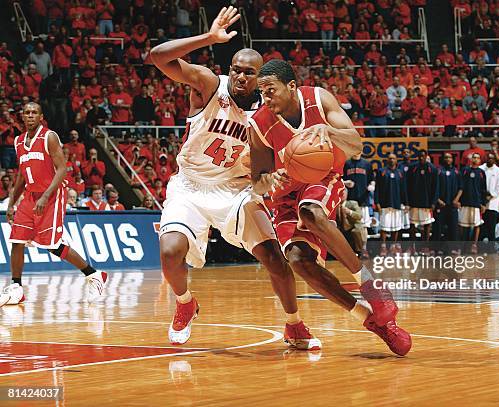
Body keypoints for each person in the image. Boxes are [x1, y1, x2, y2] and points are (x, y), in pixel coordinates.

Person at [149, 7, 319, 348]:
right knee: (169, 252)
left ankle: (294, 324)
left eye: (250, 73)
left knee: (274, 258)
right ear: (230, 71)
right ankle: (185, 304)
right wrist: (209, 39)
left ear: (261, 78)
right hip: (191, 185)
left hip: (238, 190)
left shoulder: (271, 110)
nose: (241, 77)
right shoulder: (211, 86)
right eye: (237, 70)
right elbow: (156, 57)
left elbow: (279, 157)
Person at [249, 59, 412, 355]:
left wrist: (329, 132)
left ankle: (371, 286)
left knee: (310, 212)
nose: (265, 98)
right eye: (261, 92)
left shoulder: (318, 99)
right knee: (299, 262)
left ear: (292, 86)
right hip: (284, 197)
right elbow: (257, 183)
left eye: (270, 90)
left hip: (322, 179)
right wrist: (269, 179)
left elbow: (356, 145)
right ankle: (373, 322)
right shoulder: (259, 123)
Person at [1, 102, 107, 307]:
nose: (30, 116)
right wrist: (12, 203)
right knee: (17, 238)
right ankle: (16, 287)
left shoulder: (49, 136)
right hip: (31, 195)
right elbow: (22, 175)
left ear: (41, 116)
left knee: (51, 244)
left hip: (52, 194)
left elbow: (62, 169)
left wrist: (45, 195)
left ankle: (93, 275)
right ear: (22, 117)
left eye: (34, 113)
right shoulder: (19, 141)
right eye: (27, 113)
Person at [455, 153, 488, 253]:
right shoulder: (464, 170)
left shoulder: (482, 172)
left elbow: (483, 189)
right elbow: (460, 186)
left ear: (480, 161)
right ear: (471, 159)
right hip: (465, 202)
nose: (476, 159)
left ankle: (474, 245)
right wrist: (458, 200)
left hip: (477, 203)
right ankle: (460, 246)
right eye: (474, 157)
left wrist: (483, 203)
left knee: (476, 225)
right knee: (462, 225)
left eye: (478, 158)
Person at [406, 150, 438, 243]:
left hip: (427, 202)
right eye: (419, 156)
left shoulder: (432, 169)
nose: (421, 158)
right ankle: (413, 246)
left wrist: (433, 202)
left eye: (423, 156)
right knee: (412, 224)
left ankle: (426, 246)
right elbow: (407, 185)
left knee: (427, 224)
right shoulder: (412, 168)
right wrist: (407, 202)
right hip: (414, 202)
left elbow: (436, 187)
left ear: (426, 156)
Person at [479, 153, 499, 242]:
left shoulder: (498, 171)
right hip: (480, 203)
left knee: (491, 230)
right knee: (480, 229)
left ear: (494, 160)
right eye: (488, 158)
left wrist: (489, 197)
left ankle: (491, 250)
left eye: (492, 158)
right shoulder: (480, 169)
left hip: (493, 204)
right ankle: (479, 248)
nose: (490, 160)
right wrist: (483, 198)